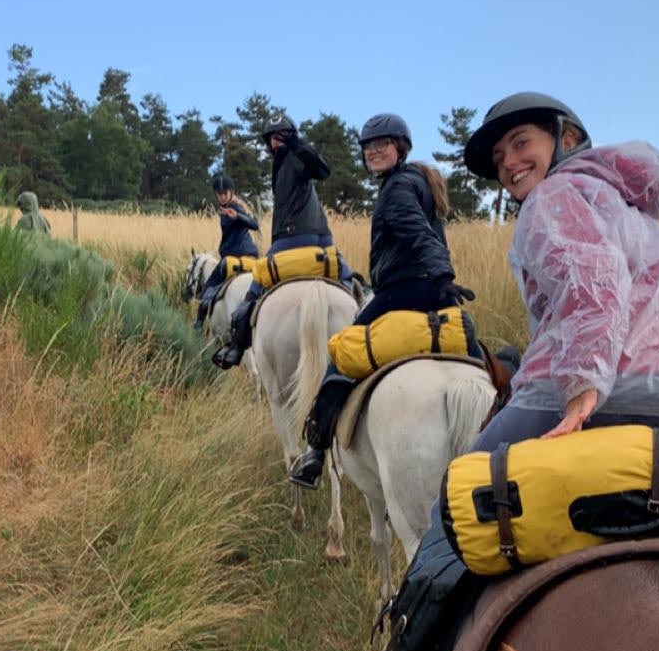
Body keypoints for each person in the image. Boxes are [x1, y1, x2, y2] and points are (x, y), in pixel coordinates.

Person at [397, 90, 659, 651]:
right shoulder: (641, 218)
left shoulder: (552, 200)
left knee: (456, 495)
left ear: (565, 138)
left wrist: (584, 388)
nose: (510, 163)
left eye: (521, 143)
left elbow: (591, 286)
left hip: (578, 392)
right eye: (499, 156)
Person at [289, 111, 477, 488]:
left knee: (341, 356)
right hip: (434, 291)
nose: (374, 151)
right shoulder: (417, 180)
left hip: (400, 292)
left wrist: (443, 274)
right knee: (472, 348)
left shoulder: (397, 188)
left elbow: (418, 233)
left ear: (400, 148)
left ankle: (315, 451)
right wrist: (442, 281)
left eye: (382, 144)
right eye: (368, 147)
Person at [212, 114, 351, 370]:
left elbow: (323, 169)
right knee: (346, 274)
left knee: (255, 287)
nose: (275, 143)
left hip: (292, 238)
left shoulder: (297, 156)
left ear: (291, 137)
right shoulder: (283, 163)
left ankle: (236, 346)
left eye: (280, 137)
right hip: (320, 237)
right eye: (272, 139)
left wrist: (297, 144)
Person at [193, 173, 260, 332]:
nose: (223, 196)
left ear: (232, 193)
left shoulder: (235, 208)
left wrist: (237, 216)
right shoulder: (227, 209)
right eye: (220, 194)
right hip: (252, 257)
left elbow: (254, 224)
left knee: (208, 287)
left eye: (225, 193)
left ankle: (198, 324)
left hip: (234, 258)